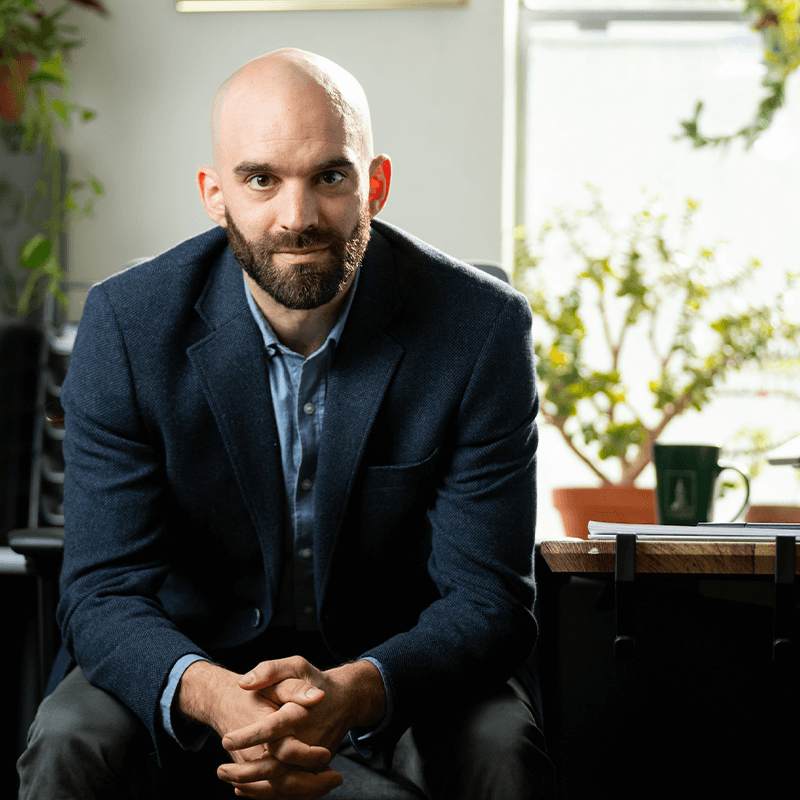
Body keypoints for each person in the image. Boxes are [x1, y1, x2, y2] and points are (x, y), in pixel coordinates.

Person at [17, 48, 556, 800]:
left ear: (377, 183)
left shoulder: (480, 328)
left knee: (500, 745)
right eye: (261, 179)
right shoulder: (127, 324)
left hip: (396, 665)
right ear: (214, 194)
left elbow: (488, 601)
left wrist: (357, 692)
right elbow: (103, 592)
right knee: (70, 741)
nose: (296, 217)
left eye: (329, 176)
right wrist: (215, 695)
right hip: (187, 656)